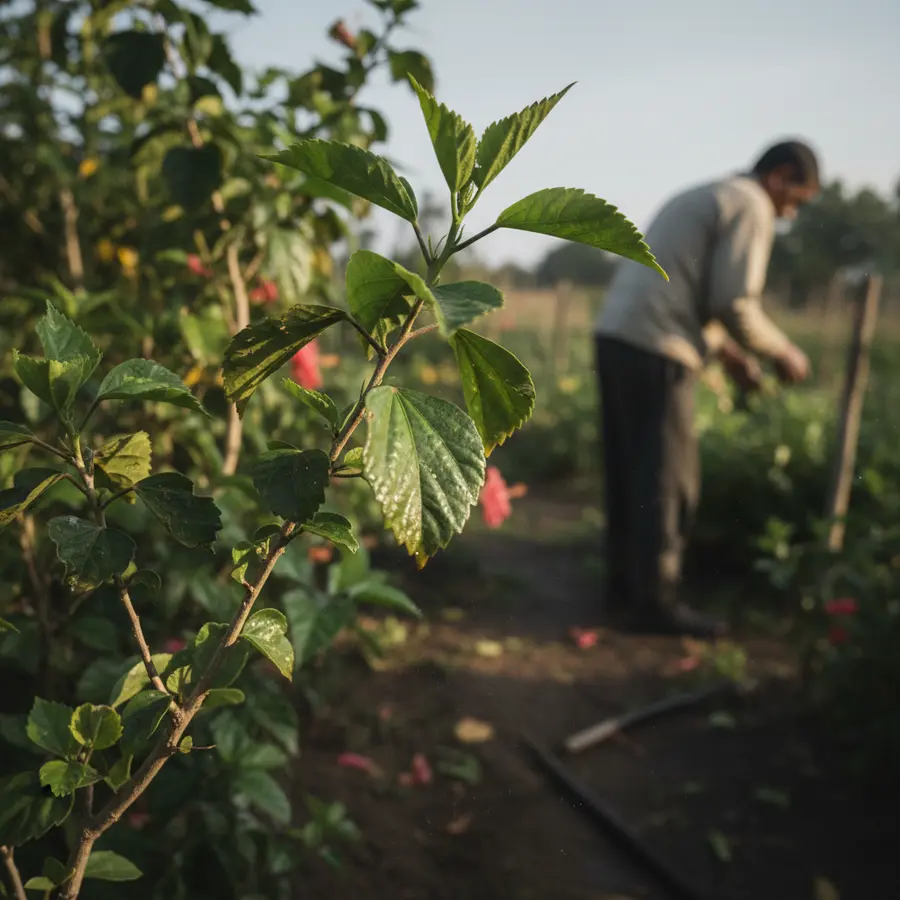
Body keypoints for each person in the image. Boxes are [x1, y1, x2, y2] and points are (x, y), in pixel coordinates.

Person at [594, 140, 820, 637]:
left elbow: (689, 290)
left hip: (618, 335)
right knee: (668, 480)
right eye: (796, 200)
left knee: (630, 471)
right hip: (658, 345)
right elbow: (732, 302)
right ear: (780, 176)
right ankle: (656, 605)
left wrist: (731, 357)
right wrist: (782, 350)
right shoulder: (752, 204)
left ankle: (622, 593)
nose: (791, 214)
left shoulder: (709, 194)